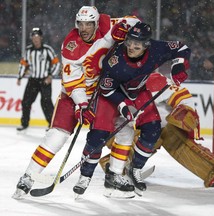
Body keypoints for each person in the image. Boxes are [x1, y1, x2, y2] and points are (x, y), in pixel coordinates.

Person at [12, 5, 139, 199]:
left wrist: (125, 28)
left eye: (89, 24)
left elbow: (134, 21)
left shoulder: (106, 23)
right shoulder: (71, 45)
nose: (84, 28)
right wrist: (81, 105)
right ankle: (28, 176)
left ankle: (114, 174)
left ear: (96, 23)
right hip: (73, 95)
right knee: (56, 137)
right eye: (81, 23)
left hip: (103, 93)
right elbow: (73, 83)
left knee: (125, 129)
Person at [72, 21, 191, 198]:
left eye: (137, 44)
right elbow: (106, 88)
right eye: (129, 42)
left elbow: (182, 48)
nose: (131, 47)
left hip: (137, 91)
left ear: (146, 45)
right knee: (98, 135)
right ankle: (85, 175)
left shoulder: (157, 49)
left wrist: (178, 66)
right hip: (111, 95)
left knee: (153, 129)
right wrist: (123, 107)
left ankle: (133, 169)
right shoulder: (115, 60)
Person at [16, 27, 60, 131]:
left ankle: (52, 124)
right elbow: (23, 64)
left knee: (46, 102)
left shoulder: (47, 50)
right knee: (26, 102)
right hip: (33, 80)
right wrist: (20, 76)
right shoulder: (28, 51)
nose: (35, 39)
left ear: (41, 37)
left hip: (45, 80)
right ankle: (24, 124)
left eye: (37, 37)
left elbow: (57, 64)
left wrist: (50, 76)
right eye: (33, 37)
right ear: (31, 38)